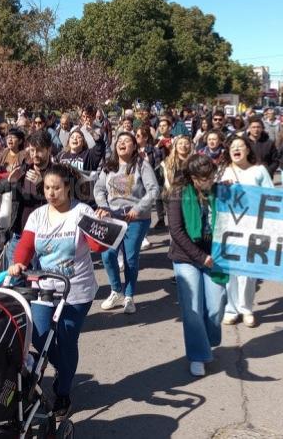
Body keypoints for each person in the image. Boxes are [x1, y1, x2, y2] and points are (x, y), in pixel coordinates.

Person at [8, 164, 107, 417]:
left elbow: (97, 248)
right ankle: (61, 367)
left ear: (67, 188)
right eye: (47, 188)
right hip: (43, 288)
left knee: (66, 340)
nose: (51, 193)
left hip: (77, 290)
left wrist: (102, 226)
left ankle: (63, 391)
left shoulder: (81, 211)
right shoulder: (38, 215)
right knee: (39, 338)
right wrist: (19, 262)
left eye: (56, 188)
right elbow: (26, 246)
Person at [168, 154, 227, 377]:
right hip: (186, 258)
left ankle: (205, 340)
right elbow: (177, 232)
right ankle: (197, 356)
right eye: (205, 178)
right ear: (193, 178)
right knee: (192, 310)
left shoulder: (220, 190)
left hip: (215, 256)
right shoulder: (177, 194)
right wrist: (201, 258)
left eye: (212, 176)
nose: (210, 181)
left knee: (215, 306)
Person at [0, 130, 54, 269]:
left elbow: (63, 200)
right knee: (14, 278)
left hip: (46, 237)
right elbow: (2, 178)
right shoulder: (23, 170)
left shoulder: (57, 172)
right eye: (32, 150)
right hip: (20, 234)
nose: (34, 155)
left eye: (39, 151)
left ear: (49, 149)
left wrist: (42, 184)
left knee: (41, 282)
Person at [94, 131, 159, 314]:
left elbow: (153, 190)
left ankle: (129, 296)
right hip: (112, 218)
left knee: (130, 259)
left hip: (136, 219)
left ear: (134, 146)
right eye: (119, 141)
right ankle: (116, 290)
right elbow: (99, 189)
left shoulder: (142, 165)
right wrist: (103, 206)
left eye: (127, 141)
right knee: (107, 255)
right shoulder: (109, 167)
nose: (122, 143)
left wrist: (138, 208)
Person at [220, 136, 274, 327]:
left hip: (253, 228)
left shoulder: (259, 171)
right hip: (229, 228)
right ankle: (231, 309)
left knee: (248, 272)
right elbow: (215, 197)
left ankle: (247, 309)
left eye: (240, 146)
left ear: (248, 150)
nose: (236, 149)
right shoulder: (224, 171)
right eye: (232, 147)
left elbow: (272, 196)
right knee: (231, 271)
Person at [57, 128, 105, 205]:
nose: (75, 139)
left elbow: (100, 146)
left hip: (82, 199)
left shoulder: (89, 155)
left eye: (79, 137)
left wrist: (92, 132)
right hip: (64, 198)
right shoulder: (61, 156)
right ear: (68, 141)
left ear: (83, 142)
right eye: (72, 137)